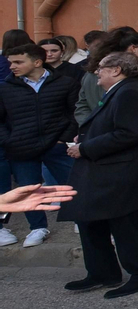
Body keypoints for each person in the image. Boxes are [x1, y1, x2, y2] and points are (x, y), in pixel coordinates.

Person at [58, 52, 138, 298]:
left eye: (102, 68)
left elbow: (129, 133)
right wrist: (86, 137)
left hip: (120, 171)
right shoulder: (124, 90)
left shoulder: (130, 91)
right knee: (89, 219)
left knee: (125, 225)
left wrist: (85, 147)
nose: (97, 72)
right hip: (109, 169)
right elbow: (114, 125)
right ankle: (101, 272)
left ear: (117, 70)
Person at [0, 43, 79, 247]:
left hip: (57, 146)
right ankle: (37, 228)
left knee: (75, 184)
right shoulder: (4, 88)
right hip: (22, 149)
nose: (12, 67)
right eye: (11, 63)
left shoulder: (66, 83)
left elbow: (74, 113)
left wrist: (64, 138)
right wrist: (10, 140)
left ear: (37, 62)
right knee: (28, 190)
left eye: (18, 62)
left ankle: (83, 220)